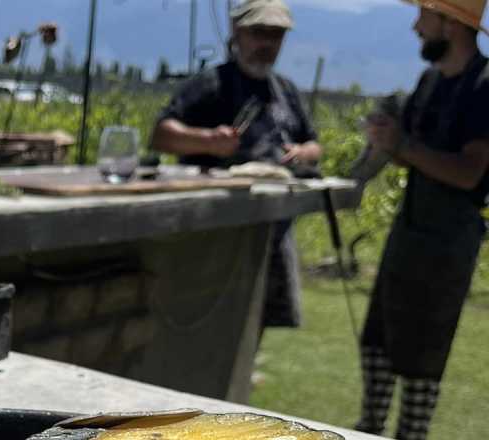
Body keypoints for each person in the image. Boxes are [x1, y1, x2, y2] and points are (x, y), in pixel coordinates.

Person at [354, 1, 489, 439]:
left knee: (423, 356)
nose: (415, 27)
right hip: (409, 231)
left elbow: (469, 173)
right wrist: (385, 140)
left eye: (423, 15)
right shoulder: (430, 81)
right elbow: (406, 153)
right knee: (378, 339)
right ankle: (368, 429)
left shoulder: (484, 86)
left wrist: (403, 145)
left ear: (451, 22)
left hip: (449, 243)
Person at [150, 0, 322, 331]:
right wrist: (207, 141)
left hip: (274, 224)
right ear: (237, 33)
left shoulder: (285, 90)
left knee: (260, 323)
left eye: (276, 36)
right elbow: (161, 135)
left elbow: (315, 143)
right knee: (211, 320)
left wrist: (303, 153)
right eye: (259, 33)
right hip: (218, 226)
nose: (267, 44)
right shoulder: (211, 84)